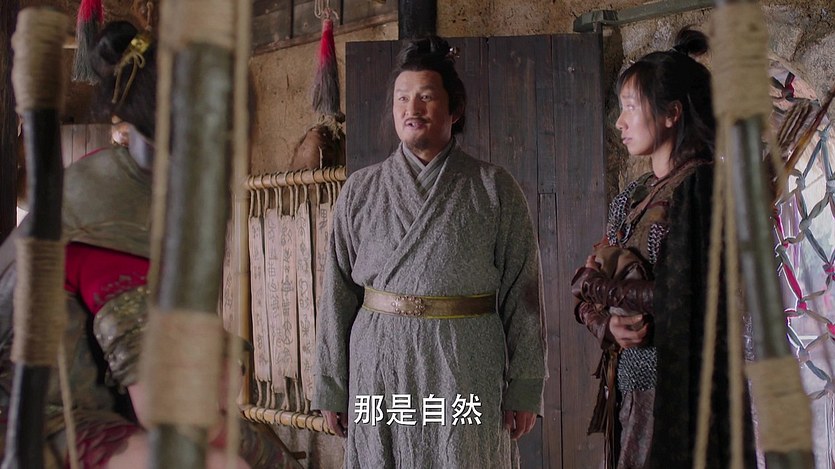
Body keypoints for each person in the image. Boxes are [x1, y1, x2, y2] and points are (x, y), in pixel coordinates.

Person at [0, 21, 280, 468]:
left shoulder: (123, 177)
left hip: (93, 402)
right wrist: (271, 455)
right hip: (32, 420)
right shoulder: (115, 220)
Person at [312, 36, 547, 468]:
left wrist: (525, 386)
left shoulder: (493, 188)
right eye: (402, 98)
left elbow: (524, 291)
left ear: (454, 110)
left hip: (463, 363)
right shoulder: (361, 190)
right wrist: (332, 385)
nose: (412, 108)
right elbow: (336, 292)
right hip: (379, 365)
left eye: (426, 96)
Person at [571, 28, 755, 469]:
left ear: (672, 112)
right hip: (631, 387)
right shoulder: (633, 196)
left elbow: (681, 298)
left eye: (631, 107)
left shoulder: (703, 188)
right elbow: (584, 289)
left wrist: (597, 286)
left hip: (685, 389)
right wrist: (606, 325)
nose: (620, 122)